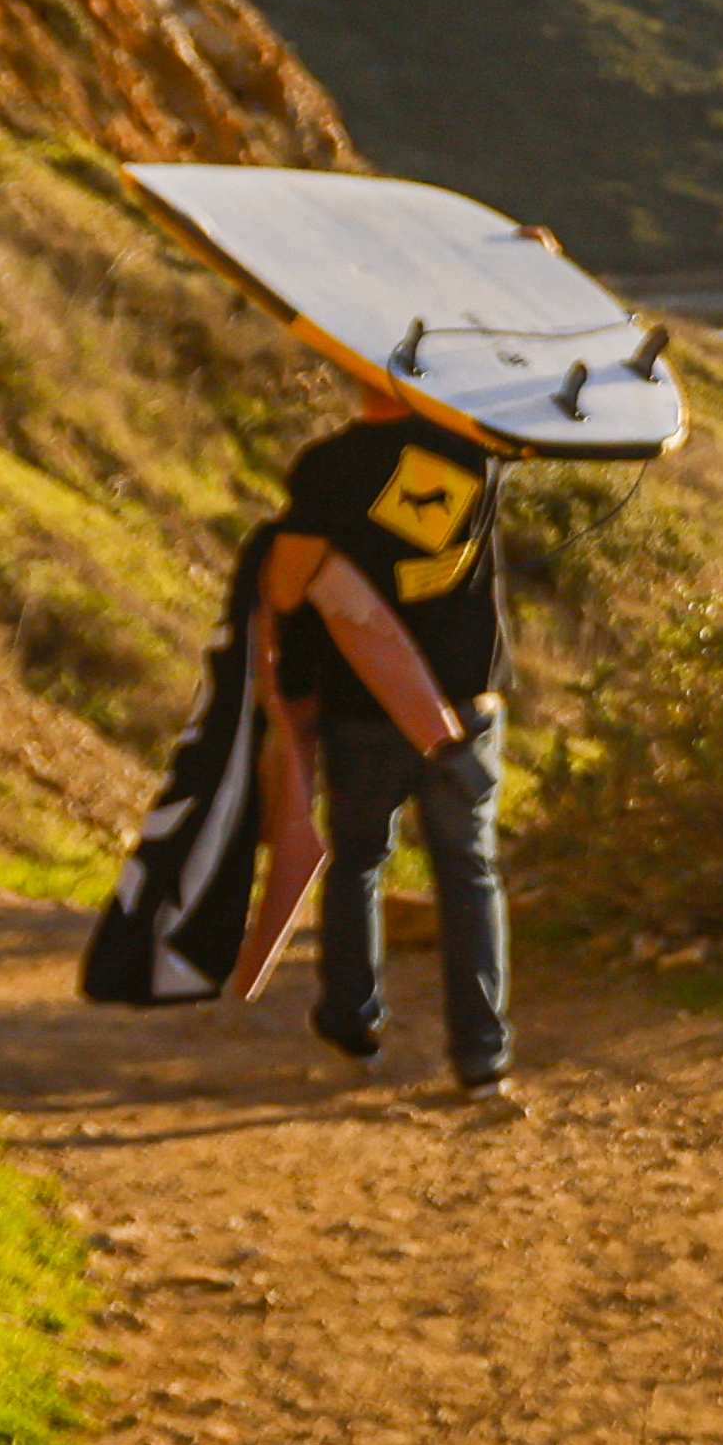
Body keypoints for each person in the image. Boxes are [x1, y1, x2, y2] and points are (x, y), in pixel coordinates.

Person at [270, 376, 518, 1088]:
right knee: (468, 871)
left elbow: (288, 588)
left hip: (363, 703)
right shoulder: (474, 454)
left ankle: (353, 1027)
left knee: (357, 861)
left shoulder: (328, 464)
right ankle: (480, 1057)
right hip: (463, 705)